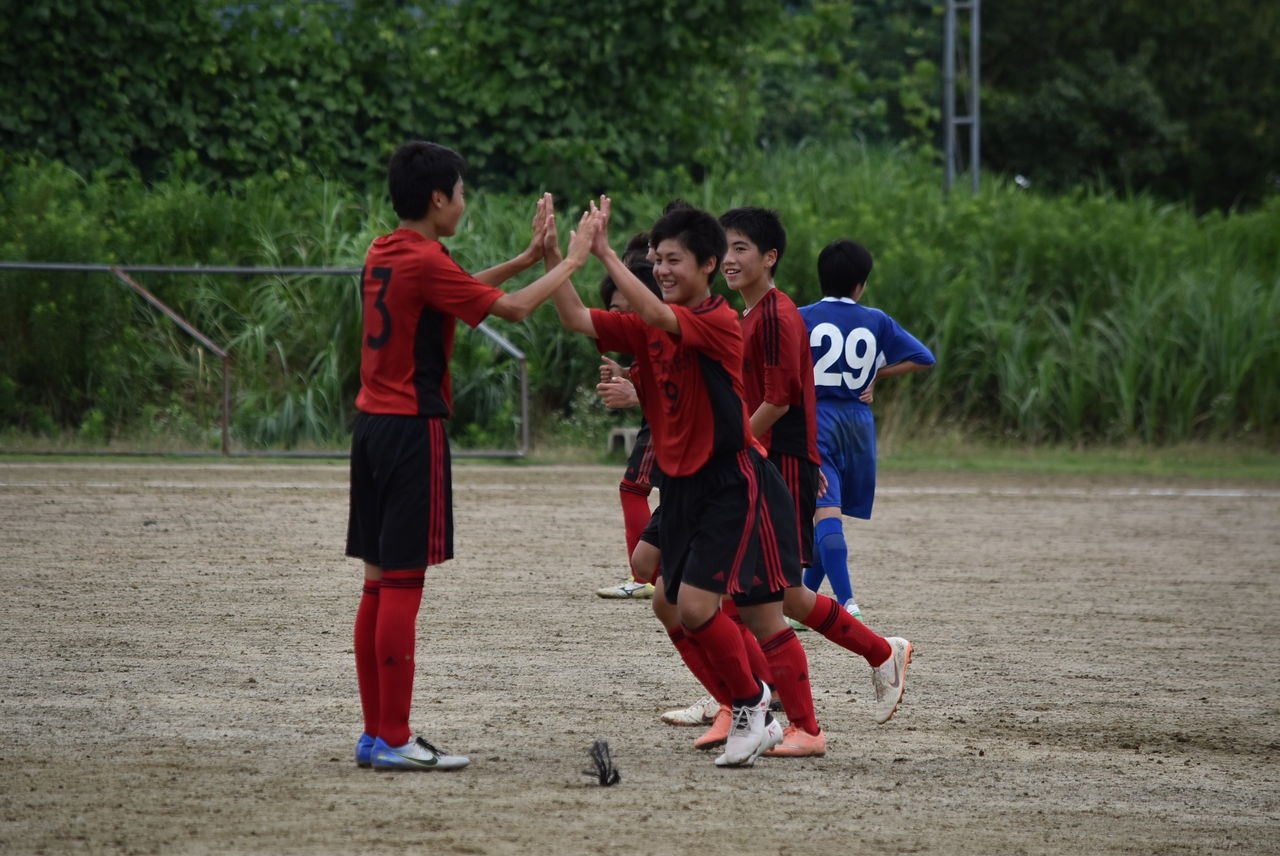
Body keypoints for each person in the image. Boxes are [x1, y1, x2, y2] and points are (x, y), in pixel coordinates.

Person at [347, 140, 597, 771]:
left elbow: (455, 293)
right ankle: (397, 739)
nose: (464, 202)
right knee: (404, 583)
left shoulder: (388, 249)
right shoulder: (426, 258)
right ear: (438, 198)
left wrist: (525, 257)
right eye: (461, 192)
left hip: (371, 427)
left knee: (377, 585)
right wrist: (569, 263)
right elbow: (509, 311)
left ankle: (377, 734)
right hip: (411, 431)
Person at [550, 199, 804, 767]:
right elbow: (576, 319)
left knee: (694, 606)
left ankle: (754, 705)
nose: (662, 270)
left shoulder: (715, 320)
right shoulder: (650, 323)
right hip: (682, 487)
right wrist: (557, 260)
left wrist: (608, 252)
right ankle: (749, 703)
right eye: (657, 260)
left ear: (708, 264)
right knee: (667, 601)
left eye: (674, 260)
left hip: (726, 484)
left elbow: (663, 318)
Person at [798, 238, 934, 663]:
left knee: (825, 512)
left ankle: (848, 602)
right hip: (858, 425)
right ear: (861, 284)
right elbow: (924, 357)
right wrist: (879, 375)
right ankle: (804, 602)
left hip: (817, 419)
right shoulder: (876, 320)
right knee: (830, 516)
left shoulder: (802, 317)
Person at [595, 236, 664, 600]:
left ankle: (646, 577)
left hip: (669, 426)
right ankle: (661, 575)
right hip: (667, 422)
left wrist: (636, 393)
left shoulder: (666, 319)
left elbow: (677, 388)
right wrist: (627, 374)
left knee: (634, 488)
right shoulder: (656, 324)